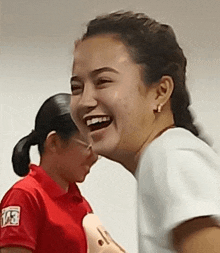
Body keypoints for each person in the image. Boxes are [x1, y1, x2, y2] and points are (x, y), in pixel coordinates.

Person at [70, 11, 220, 253]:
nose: (85, 101)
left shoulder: (168, 155)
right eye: (76, 87)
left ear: (160, 92)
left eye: (103, 81)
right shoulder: (171, 153)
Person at [0, 93, 127, 253]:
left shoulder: (81, 205)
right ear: (54, 142)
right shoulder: (25, 197)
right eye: (88, 146)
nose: (94, 157)